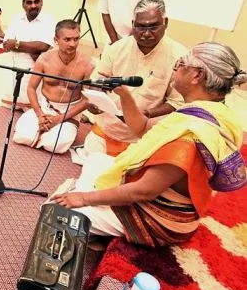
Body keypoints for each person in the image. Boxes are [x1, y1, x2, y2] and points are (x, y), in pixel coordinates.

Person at [53, 42, 247, 247]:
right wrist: (124, 94)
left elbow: (142, 191)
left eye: (181, 63)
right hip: (159, 195)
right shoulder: (210, 112)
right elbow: (143, 126)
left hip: (161, 218)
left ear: (197, 76)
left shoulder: (191, 135)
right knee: (96, 160)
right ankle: (93, 214)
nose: (176, 68)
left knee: (54, 211)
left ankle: (100, 225)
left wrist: (84, 199)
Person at [83, 0, 187, 157]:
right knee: (94, 162)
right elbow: (97, 81)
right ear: (133, 24)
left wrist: (146, 114)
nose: (146, 33)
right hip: (110, 127)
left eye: (153, 27)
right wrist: (94, 100)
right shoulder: (116, 48)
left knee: (127, 176)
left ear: (165, 22)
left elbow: (177, 102)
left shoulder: (180, 57)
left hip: (145, 135)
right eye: (140, 27)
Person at [13, 20, 94, 153]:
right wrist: (40, 114)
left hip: (69, 111)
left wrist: (58, 119)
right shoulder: (44, 58)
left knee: (56, 146)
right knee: (22, 136)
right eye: (67, 39)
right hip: (45, 106)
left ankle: (53, 130)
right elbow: (31, 88)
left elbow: (87, 100)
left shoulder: (87, 64)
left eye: (76, 39)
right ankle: (43, 126)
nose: (73, 44)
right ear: (56, 39)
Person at [2, 0, 57, 109]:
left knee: (35, 107)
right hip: (16, 65)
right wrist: (33, 48)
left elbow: (44, 45)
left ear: (42, 2)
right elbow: (6, 44)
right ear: (23, 4)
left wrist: (16, 44)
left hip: (36, 66)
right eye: (29, 2)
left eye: (36, 2)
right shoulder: (16, 19)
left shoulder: (49, 20)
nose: (33, 6)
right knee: (12, 105)